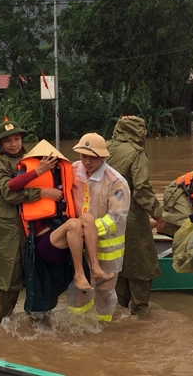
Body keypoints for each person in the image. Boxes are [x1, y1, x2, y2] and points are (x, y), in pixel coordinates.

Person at [0, 120, 62, 324]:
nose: (13, 144)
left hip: (33, 223)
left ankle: (39, 322)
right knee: (8, 279)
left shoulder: (30, 159)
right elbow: (9, 193)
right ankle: (1, 324)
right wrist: (42, 192)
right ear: (0, 144)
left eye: (16, 139)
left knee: (36, 273)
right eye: (8, 141)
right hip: (7, 227)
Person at [8, 140, 115, 293]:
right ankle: (79, 275)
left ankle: (95, 269)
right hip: (44, 242)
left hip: (64, 236)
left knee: (88, 218)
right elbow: (12, 186)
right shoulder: (28, 172)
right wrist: (38, 172)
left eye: (52, 161)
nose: (50, 165)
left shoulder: (63, 172)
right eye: (44, 161)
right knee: (73, 224)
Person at [68, 133, 130, 322]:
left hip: (107, 248)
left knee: (105, 290)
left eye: (93, 157)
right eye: (83, 156)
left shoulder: (116, 182)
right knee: (78, 286)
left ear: (102, 157)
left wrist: (90, 231)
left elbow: (117, 218)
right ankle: (76, 325)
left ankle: (105, 328)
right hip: (77, 241)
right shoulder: (71, 170)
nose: (87, 162)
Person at [105, 116, 163, 317]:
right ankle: (140, 314)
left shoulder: (105, 148)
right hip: (131, 217)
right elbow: (141, 190)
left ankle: (118, 313)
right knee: (141, 264)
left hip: (107, 217)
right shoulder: (136, 153)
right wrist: (158, 212)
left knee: (117, 264)